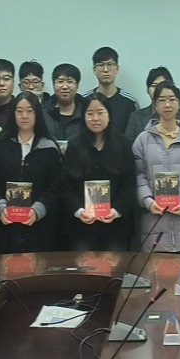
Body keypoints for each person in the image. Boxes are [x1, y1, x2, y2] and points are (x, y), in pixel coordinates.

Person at [133, 80, 180, 253]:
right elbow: (138, 176)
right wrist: (148, 202)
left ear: (179, 104)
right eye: (162, 100)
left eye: (172, 99)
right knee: (156, 270)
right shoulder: (142, 140)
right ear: (155, 105)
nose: (167, 104)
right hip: (154, 222)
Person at [0, 92, 62, 254]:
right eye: (19, 111)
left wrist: (38, 210)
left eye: (29, 111)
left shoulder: (49, 148)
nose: (24, 116)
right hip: (3, 225)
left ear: (37, 113)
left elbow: (56, 185)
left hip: (38, 226)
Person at [60, 95, 136, 251]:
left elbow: (129, 184)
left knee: (114, 266)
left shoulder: (123, 144)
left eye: (100, 113)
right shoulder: (74, 145)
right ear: (83, 117)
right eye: (90, 113)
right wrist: (79, 211)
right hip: (82, 225)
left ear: (109, 115)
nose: (95, 118)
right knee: (84, 266)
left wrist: (115, 211)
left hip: (115, 226)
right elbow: (66, 184)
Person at [123, 67, 180, 140]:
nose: (158, 90)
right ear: (147, 90)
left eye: (162, 85)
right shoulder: (136, 117)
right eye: (154, 86)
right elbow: (128, 145)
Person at [80, 47, 138, 134]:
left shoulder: (130, 101)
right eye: (101, 65)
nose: (106, 70)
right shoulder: (84, 100)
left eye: (110, 64)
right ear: (94, 70)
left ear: (117, 69)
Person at [43, 63, 88, 144]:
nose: (64, 87)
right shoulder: (43, 113)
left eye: (70, 82)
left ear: (77, 86)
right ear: (53, 85)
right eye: (60, 81)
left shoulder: (86, 112)